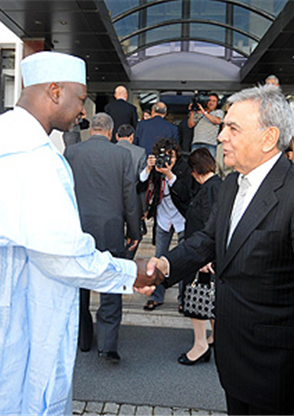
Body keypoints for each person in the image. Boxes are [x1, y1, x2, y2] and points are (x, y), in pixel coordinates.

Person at [0, 51, 161, 415]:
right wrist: (131, 271)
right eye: (80, 99)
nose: (82, 111)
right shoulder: (31, 154)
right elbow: (62, 253)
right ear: (54, 90)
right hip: (1, 319)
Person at [146, 84, 294, 414]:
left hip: (278, 373)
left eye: (233, 128)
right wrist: (166, 266)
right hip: (234, 363)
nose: (221, 136)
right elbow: (208, 240)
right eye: (224, 127)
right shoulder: (231, 184)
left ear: (268, 138)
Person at [64, 113, 142, 363]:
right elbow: (129, 196)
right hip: (111, 228)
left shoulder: (72, 153)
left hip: (79, 228)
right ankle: (107, 345)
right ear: (110, 131)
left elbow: (64, 191)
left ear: (92, 130)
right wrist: (134, 231)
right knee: (110, 283)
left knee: (79, 286)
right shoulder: (122, 155)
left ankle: (83, 339)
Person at [175, 148, 222, 366]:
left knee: (197, 299)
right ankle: (211, 339)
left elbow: (210, 226)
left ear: (195, 170)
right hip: (203, 253)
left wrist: (206, 257)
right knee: (205, 297)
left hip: (202, 255)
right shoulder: (215, 186)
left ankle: (200, 346)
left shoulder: (211, 188)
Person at [139, 138, 189, 311]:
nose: (168, 160)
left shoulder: (184, 168)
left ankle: (183, 299)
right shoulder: (156, 168)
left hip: (181, 217)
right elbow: (141, 183)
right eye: (164, 156)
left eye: (171, 156)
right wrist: (148, 168)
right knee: (159, 258)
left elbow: (185, 193)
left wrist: (169, 175)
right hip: (163, 217)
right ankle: (156, 296)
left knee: (184, 260)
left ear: (177, 156)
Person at [115, 123, 149, 246]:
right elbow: (142, 180)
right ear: (132, 137)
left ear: (117, 136)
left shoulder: (109, 150)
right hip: (133, 197)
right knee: (134, 235)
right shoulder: (140, 152)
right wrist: (144, 208)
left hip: (112, 198)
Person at [188, 92, 223, 158]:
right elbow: (190, 125)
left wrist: (204, 113)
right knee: (194, 162)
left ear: (217, 103)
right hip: (197, 142)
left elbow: (218, 121)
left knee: (209, 163)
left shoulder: (218, 112)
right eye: (209, 100)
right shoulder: (199, 112)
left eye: (214, 101)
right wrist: (192, 112)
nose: (211, 103)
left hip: (210, 144)